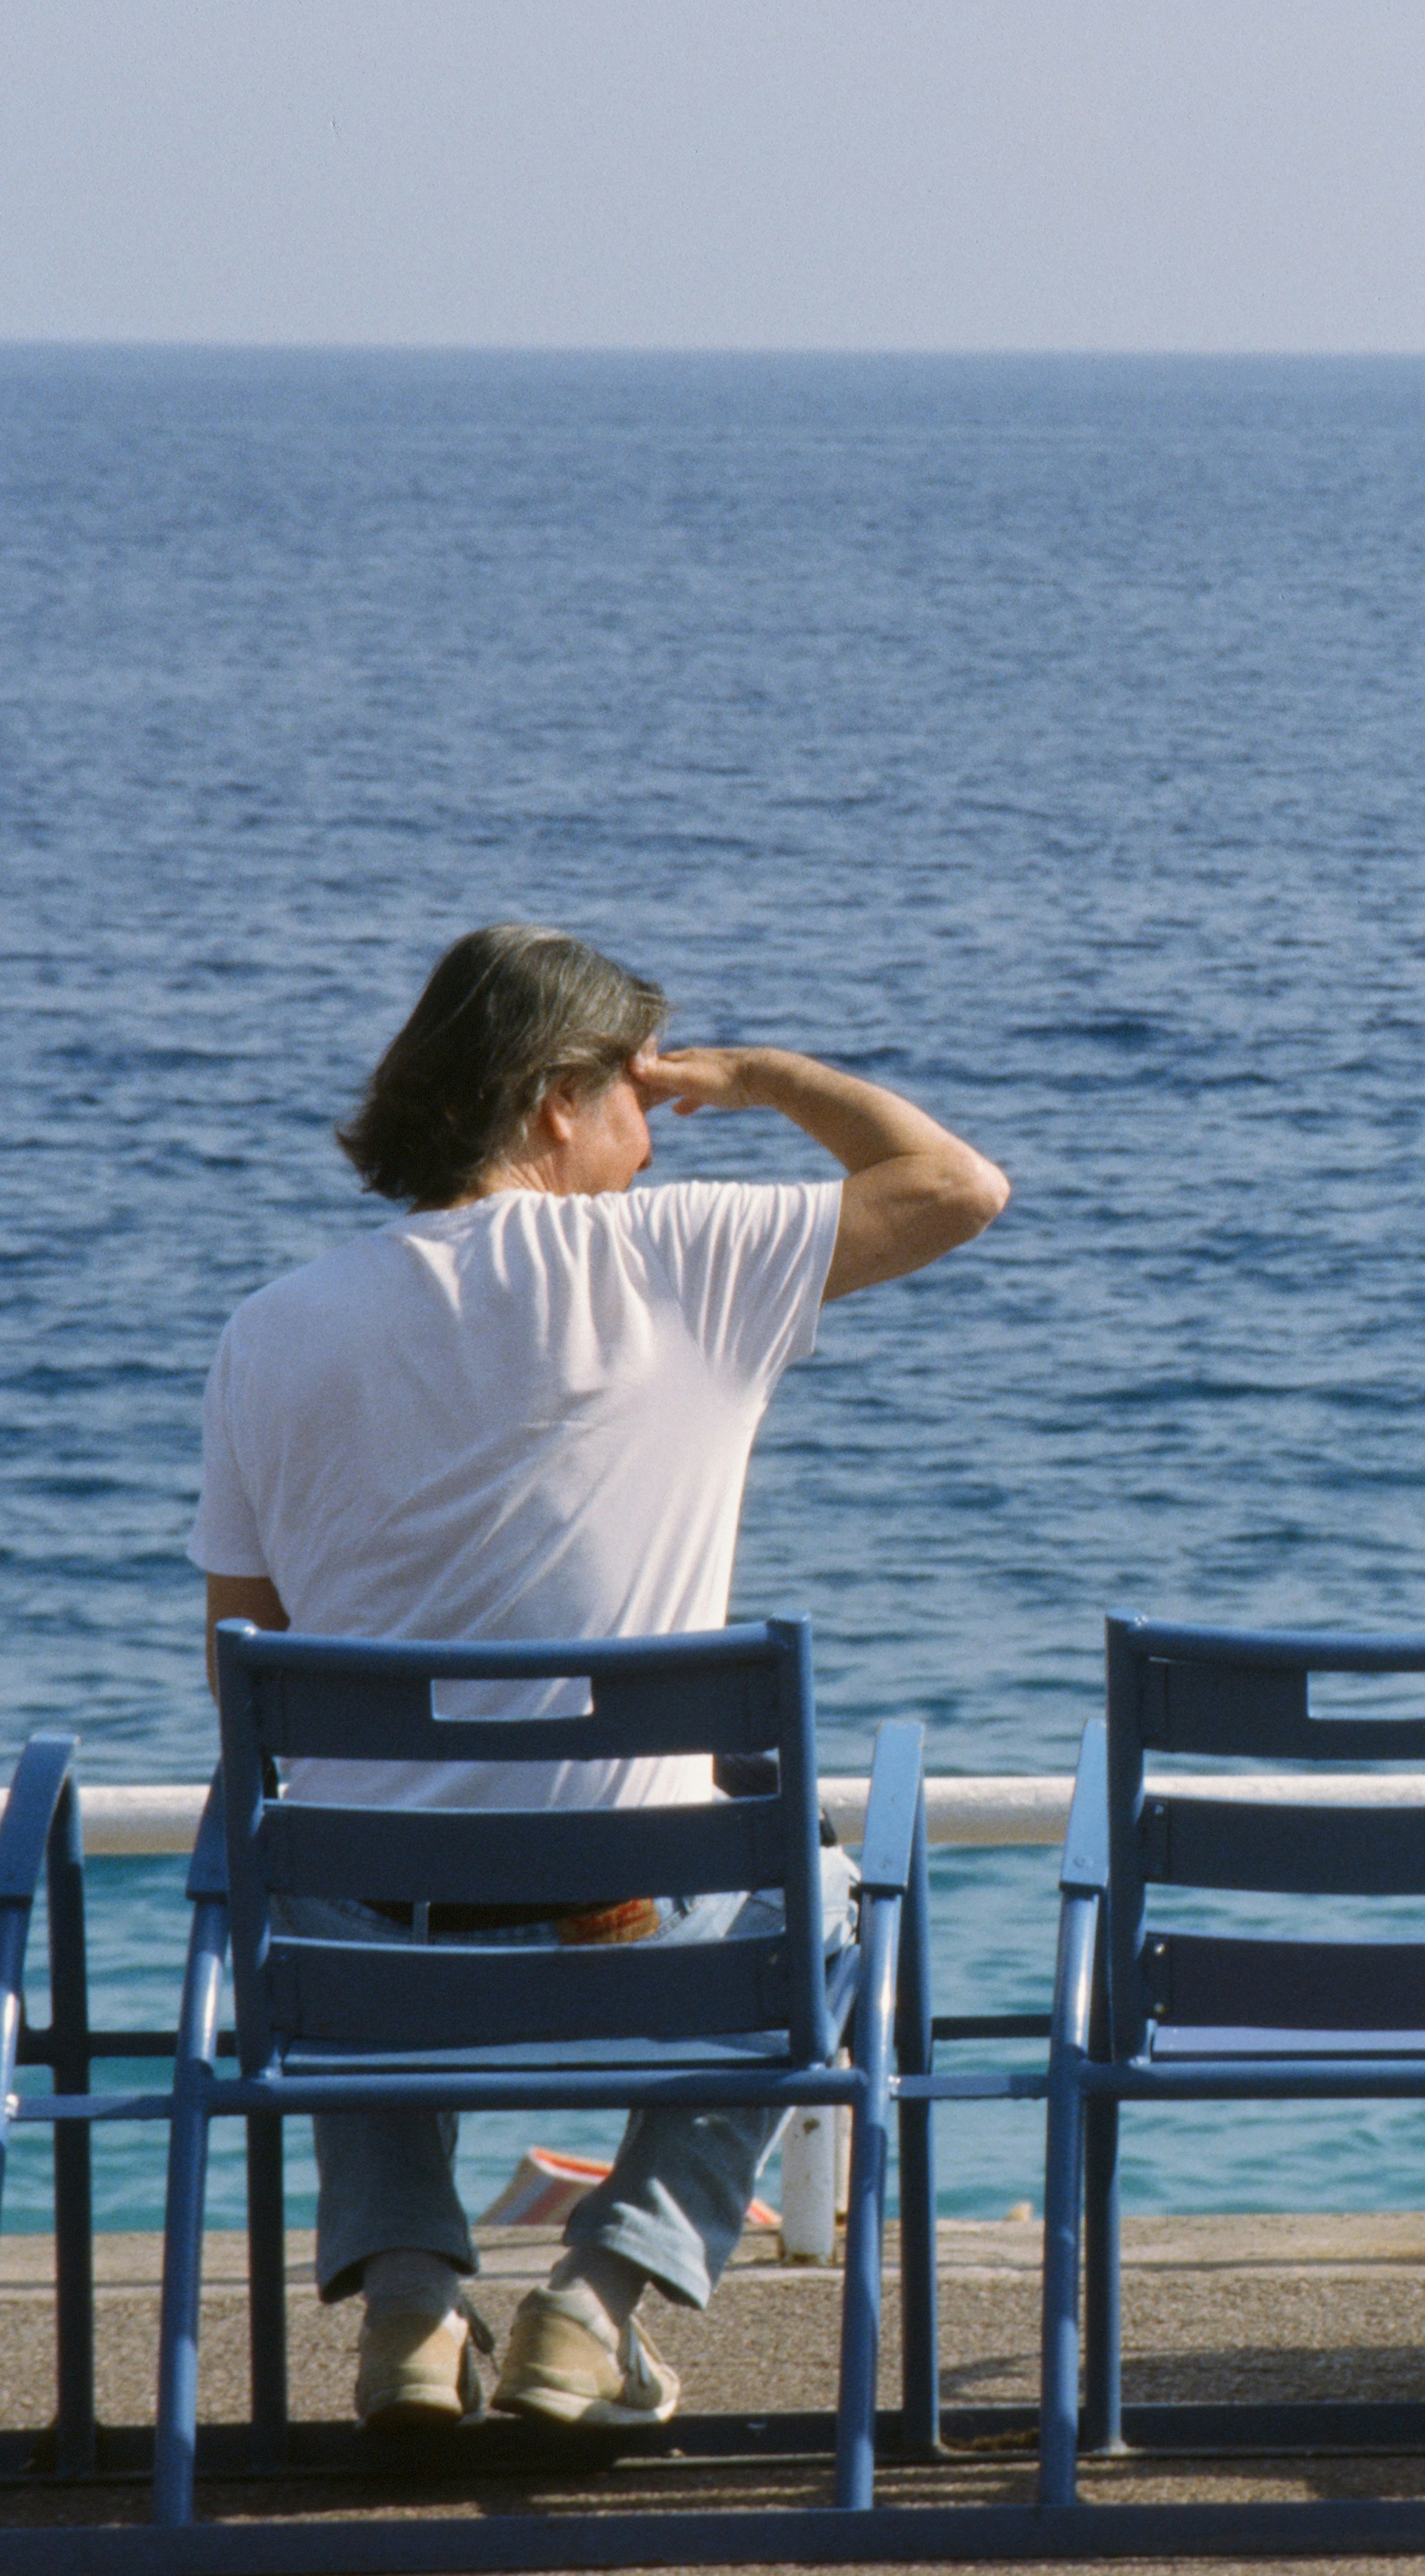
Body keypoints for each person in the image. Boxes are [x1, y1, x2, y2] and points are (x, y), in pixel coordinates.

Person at [190, 925, 1006, 2436]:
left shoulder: (267, 1335)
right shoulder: (682, 1257)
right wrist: (758, 1078)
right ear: (557, 1099)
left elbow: (245, 1678)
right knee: (825, 1900)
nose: (660, 1126)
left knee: (287, 1861)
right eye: (644, 1086)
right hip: (639, 1930)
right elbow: (960, 1185)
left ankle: (415, 2307)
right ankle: (600, 2298)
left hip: (379, 1954)